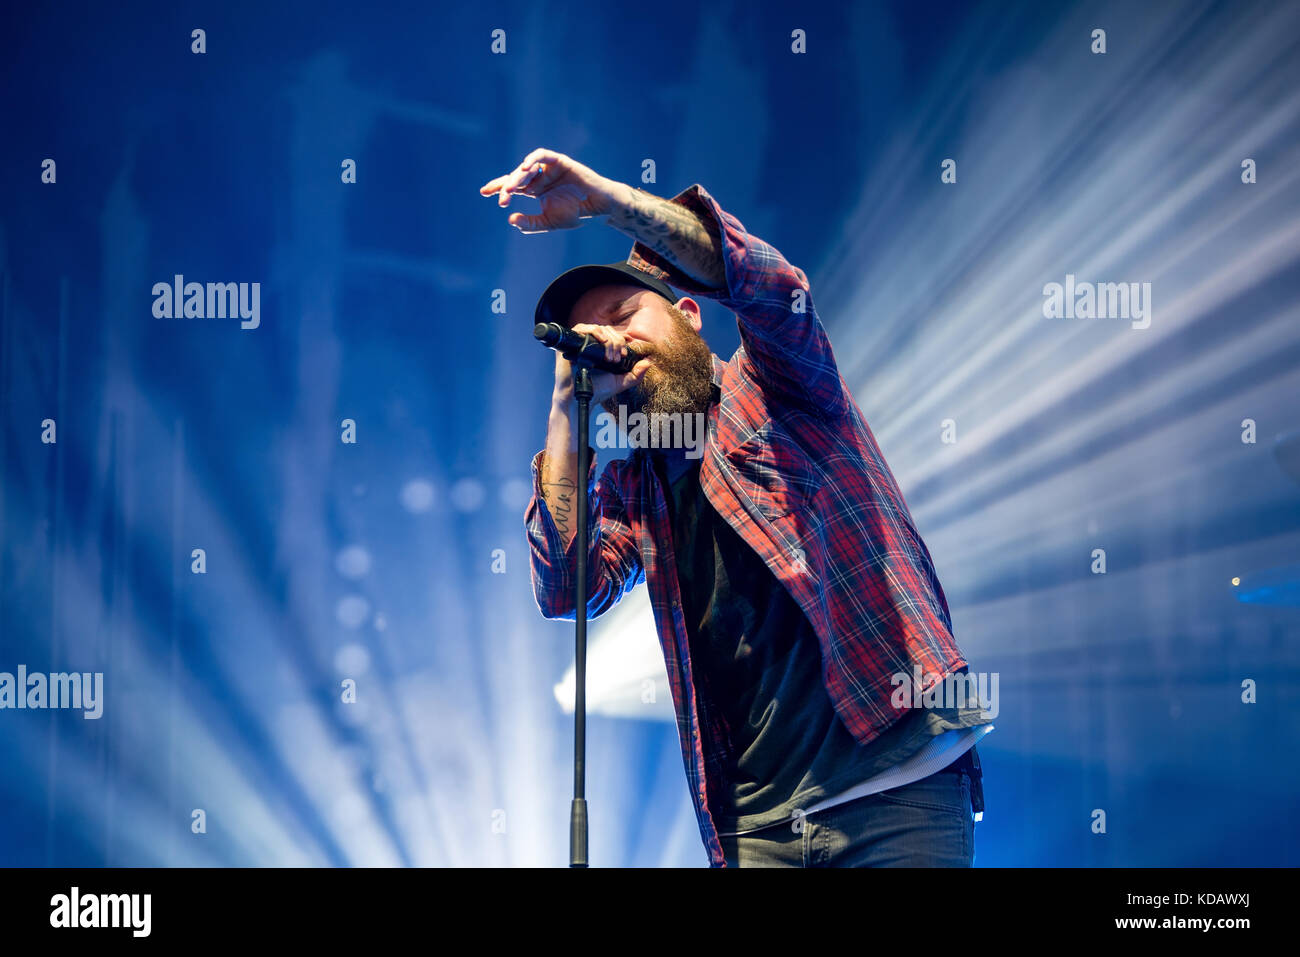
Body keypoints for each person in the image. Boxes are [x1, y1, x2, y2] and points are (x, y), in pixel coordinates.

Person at [480, 149, 993, 868]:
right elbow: (566, 588)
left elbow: (772, 286)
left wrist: (608, 202)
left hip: (894, 784)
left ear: (689, 314)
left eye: (627, 315)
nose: (614, 345)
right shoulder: (638, 493)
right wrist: (567, 398)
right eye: (593, 345)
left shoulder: (776, 389)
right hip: (758, 830)